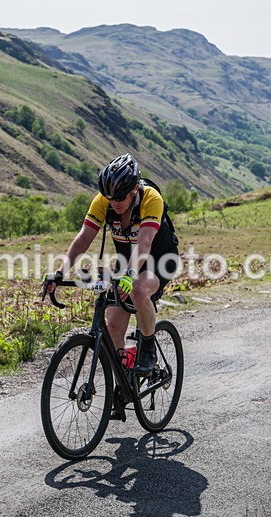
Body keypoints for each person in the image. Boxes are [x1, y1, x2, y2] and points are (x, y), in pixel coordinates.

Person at [44, 153, 179, 374]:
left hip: (160, 258)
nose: (114, 203)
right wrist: (60, 273)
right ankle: (123, 386)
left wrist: (129, 275)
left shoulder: (150, 199)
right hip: (127, 262)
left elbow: (144, 244)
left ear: (134, 189)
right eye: (110, 197)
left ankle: (148, 348)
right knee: (114, 325)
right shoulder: (103, 201)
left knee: (139, 289)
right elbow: (84, 238)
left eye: (120, 197)